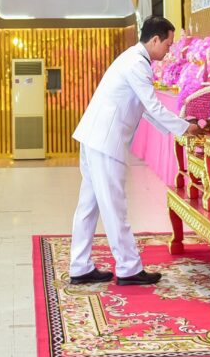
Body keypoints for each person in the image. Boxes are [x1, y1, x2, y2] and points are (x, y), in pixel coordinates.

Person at [69, 15, 202, 286]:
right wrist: (184, 128)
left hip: (94, 138)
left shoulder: (133, 59)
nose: (169, 50)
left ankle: (80, 266)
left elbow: (145, 108)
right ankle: (129, 268)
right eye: (168, 44)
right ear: (155, 40)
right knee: (113, 206)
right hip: (105, 141)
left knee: (89, 206)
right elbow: (152, 106)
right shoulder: (137, 64)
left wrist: (180, 125)